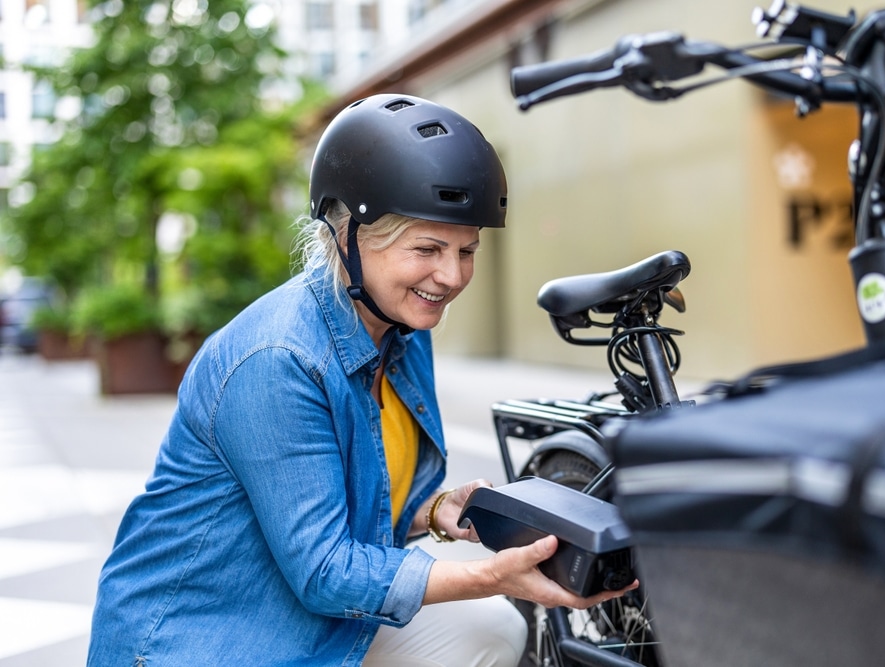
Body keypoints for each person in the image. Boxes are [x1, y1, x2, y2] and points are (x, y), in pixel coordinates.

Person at [87, 93, 636, 666]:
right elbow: (326, 572)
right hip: (204, 639)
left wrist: (437, 508)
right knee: (490, 601)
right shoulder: (278, 360)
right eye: (427, 248)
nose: (450, 276)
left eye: (466, 250)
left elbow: (361, 501)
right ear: (348, 235)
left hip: (305, 618)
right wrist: (492, 574)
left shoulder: (401, 325)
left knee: (489, 629)